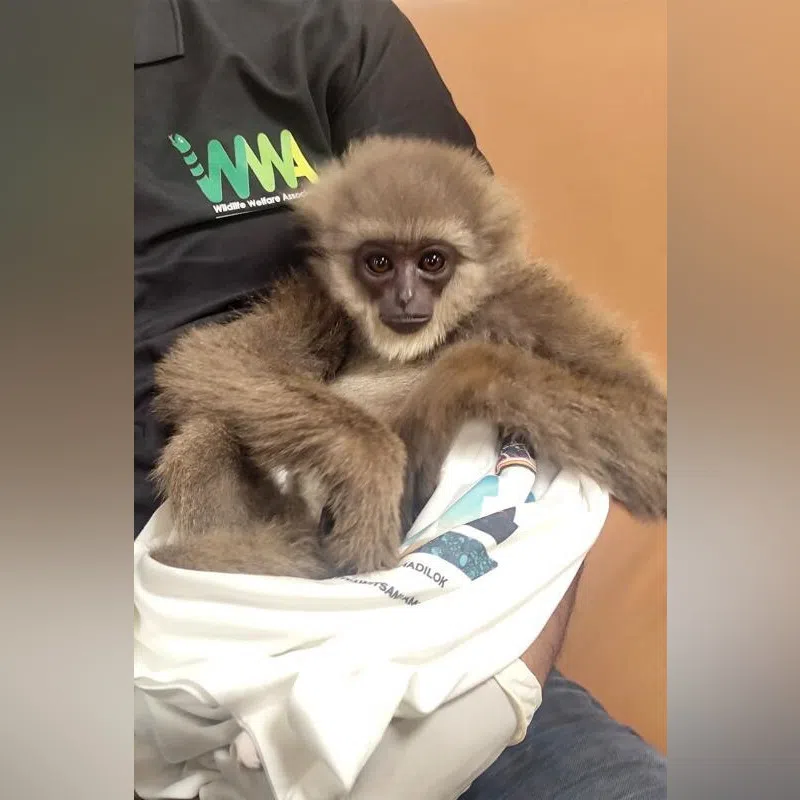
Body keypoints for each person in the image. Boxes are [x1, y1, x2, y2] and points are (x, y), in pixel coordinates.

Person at [134, 0, 666, 797]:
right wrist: (350, 445)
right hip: (172, 622)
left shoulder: (316, 26)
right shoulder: (307, 309)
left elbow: (636, 453)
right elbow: (204, 373)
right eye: (380, 266)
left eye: (431, 267)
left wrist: (506, 677)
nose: (409, 294)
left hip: (441, 620)